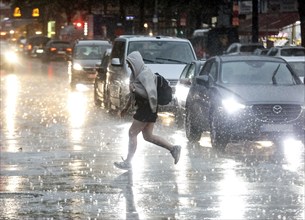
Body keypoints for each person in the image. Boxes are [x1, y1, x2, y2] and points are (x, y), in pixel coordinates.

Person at [114, 51, 181, 170]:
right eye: (128, 64)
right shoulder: (135, 75)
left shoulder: (145, 75)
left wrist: (137, 91)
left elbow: (151, 95)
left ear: (136, 63)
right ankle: (173, 149)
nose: (129, 66)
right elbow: (132, 93)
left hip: (148, 107)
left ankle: (128, 162)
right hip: (145, 108)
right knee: (148, 136)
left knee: (132, 133)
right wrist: (125, 108)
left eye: (130, 64)